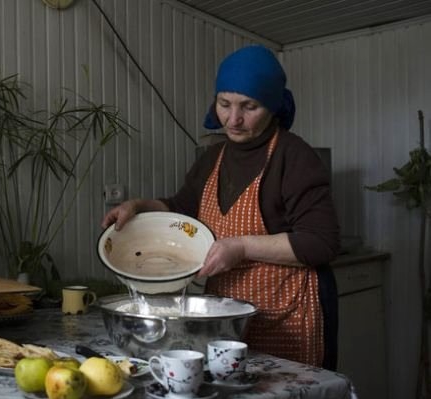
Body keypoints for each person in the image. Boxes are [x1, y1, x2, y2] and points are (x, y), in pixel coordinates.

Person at [101, 44, 340, 369]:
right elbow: (183, 211)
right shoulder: (212, 159)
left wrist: (240, 247)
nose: (234, 119)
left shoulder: (294, 157)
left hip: (285, 314)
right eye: (224, 104)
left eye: (249, 106)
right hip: (224, 318)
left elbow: (321, 242)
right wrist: (140, 206)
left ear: (271, 106)